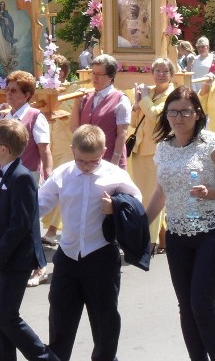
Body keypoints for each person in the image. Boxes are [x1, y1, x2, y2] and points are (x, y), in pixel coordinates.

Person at [146, 86, 215, 361]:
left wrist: (212, 193)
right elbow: (160, 192)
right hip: (178, 235)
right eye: (172, 112)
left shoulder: (214, 144)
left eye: (184, 112)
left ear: (197, 113)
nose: (178, 118)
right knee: (186, 307)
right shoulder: (163, 148)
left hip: (214, 233)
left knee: (201, 304)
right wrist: (141, 226)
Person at [38, 124, 141, 361]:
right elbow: (39, 204)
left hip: (101, 256)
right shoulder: (63, 174)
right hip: (68, 256)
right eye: (81, 161)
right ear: (73, 150)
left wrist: (116, 206)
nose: (86, 167)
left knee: (105, 321)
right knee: (60, 318)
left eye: (92, 162)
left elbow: (136, 204)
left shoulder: (114, 175)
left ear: (103, 151)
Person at [0, 119, 58, 361]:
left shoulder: (21, 177)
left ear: (5, 149)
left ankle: (44, 357)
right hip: (4, 258)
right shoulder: (7, 173)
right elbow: (9, 214)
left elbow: (20, 224)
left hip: (16, 260)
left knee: (6, 317)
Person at [128, 58, 175, 254]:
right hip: (140, 148)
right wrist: (137, 105)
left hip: (157, 150)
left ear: (171, 74)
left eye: (165, 71)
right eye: (157, 70)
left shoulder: (172, 94)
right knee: (142, 196)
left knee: (152, 197)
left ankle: (150, 240)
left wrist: (144, 99)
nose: (161, 74)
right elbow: (134, 120)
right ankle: (164, 238)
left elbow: (157, 116)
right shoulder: (149, 92)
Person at [69, 54, 131, 169]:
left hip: (109, 162)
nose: (94, 78)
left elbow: (121, 135)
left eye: (99, 74)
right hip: (86, 163)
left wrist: (114, 164)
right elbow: (74, 129)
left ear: (111, 76)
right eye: (93, 73)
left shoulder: (121, 100)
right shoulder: (86, 97)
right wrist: (77, 103)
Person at [42, 56, 73, 247]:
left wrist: (55, 102)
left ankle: (52, 231)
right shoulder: (43, 90)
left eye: (56, 70)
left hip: (67, 145)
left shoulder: (72, 90)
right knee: (50, 189)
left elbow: (70, 113)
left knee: (62, 188)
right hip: (49, 146)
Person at [0, 1, 19, 74]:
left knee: (5, 44)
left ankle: (6, 60)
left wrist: (6, 20)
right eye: (1, 4)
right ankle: (2, 59)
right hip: (0, 31)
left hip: (5, 32)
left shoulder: (6, 13)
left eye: (3, 5)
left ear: (4, 6)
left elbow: (10, 23)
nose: (2, 6)